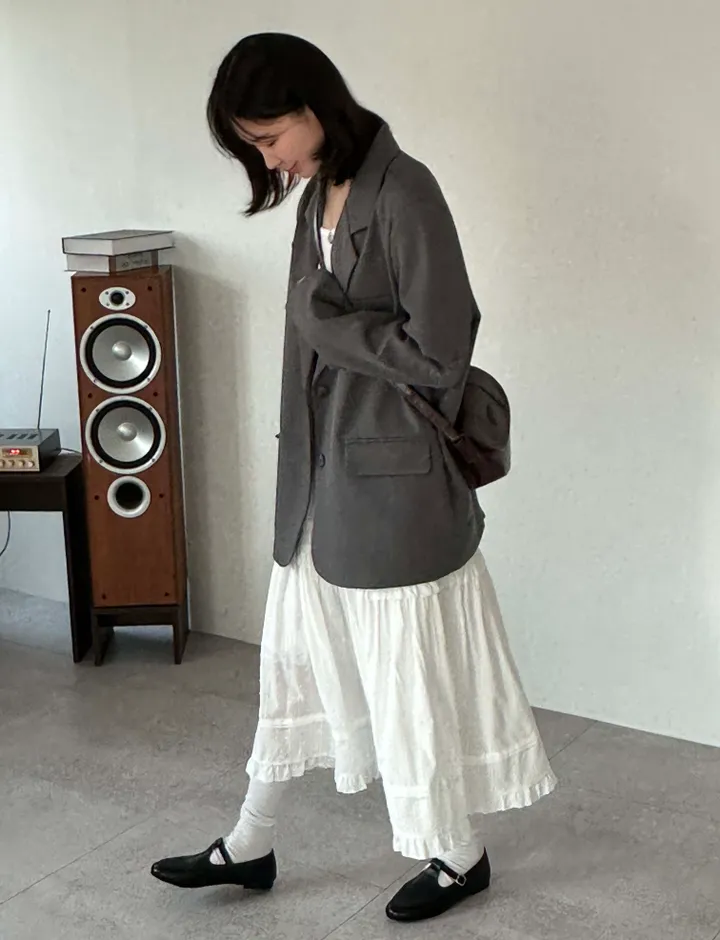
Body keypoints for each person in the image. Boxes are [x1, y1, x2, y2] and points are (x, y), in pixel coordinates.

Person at [151, 32, 557, 924]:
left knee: (404, 678)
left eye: (269, 138)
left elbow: (442, 353)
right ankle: (251, 839)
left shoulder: (406, 193)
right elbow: (312, 337)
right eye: (255, 147)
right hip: (320, 475)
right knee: (294, 660)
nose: (270, 161)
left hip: (391, 483)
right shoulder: (318, 197)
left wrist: (333, 326)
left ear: (314, 105)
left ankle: (459, 856)